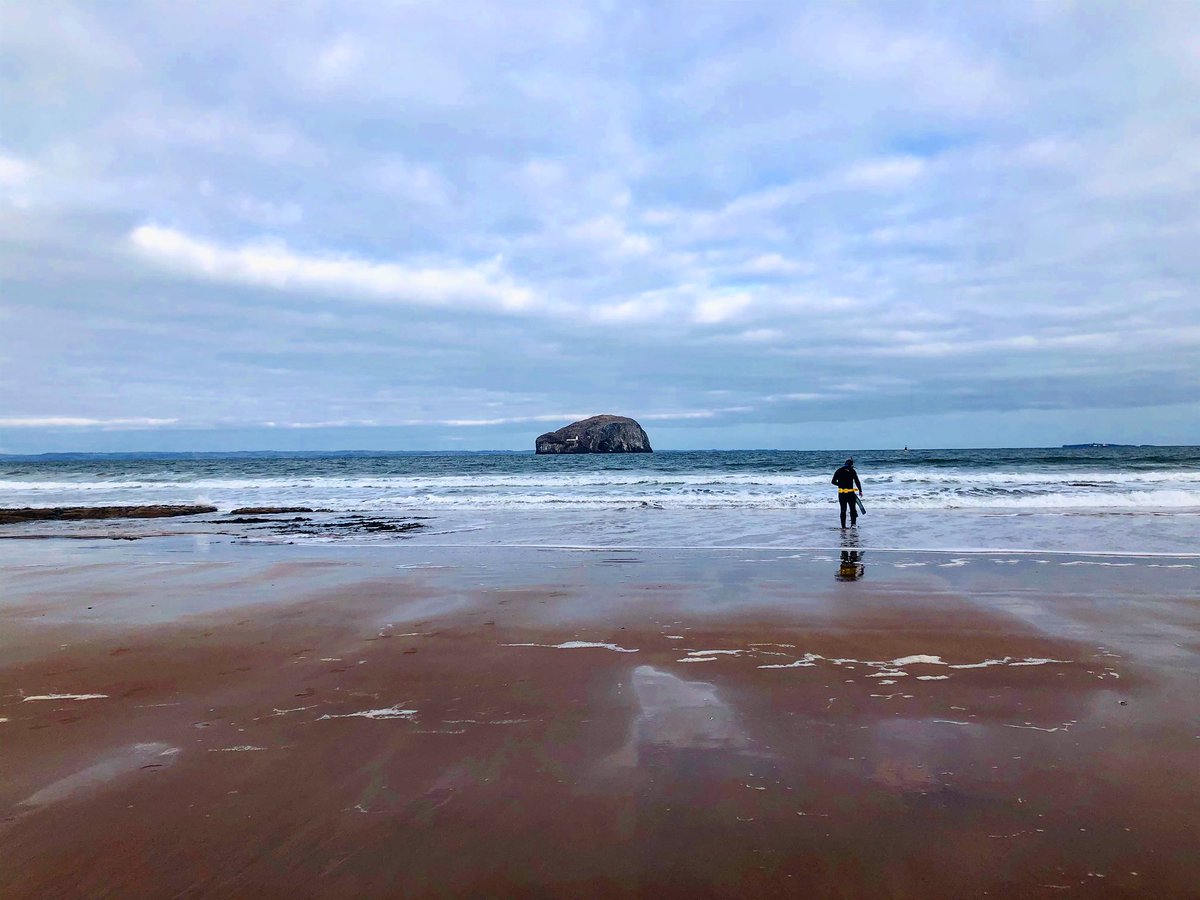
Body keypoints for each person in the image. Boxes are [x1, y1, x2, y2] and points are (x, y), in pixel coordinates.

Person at [831, 457, 863, 528]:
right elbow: (857, 481)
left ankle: (843, 527)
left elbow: (833, 481)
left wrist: (840, 484)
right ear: (851, 465)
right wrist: (860, 490)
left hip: (841, 493)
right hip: (850, 493)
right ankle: (853, 525)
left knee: (843, 510)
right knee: (852, 509)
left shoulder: (839, 470)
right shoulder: (852, 471)